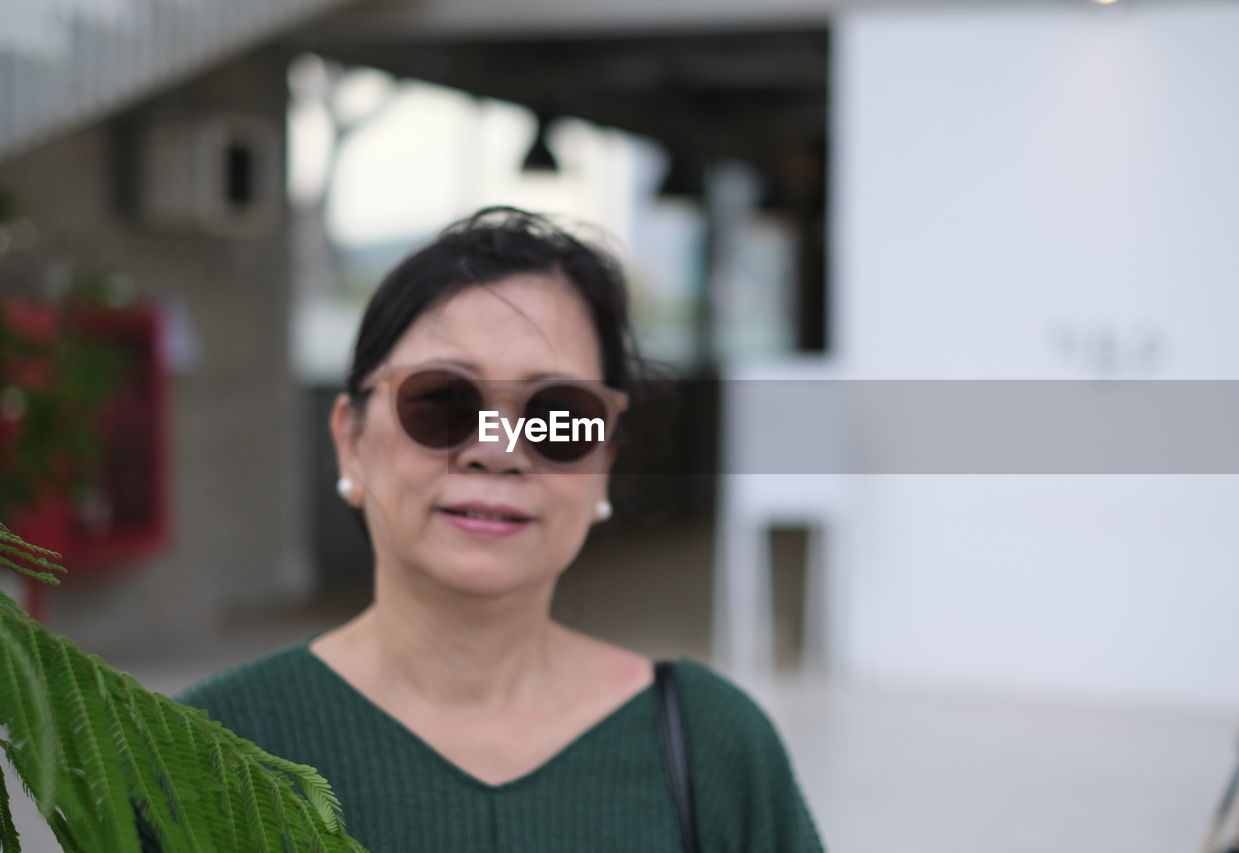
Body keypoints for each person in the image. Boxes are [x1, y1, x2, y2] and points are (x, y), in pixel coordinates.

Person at [176, 206, 824, 852]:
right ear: (351, 440)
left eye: (558, 414)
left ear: (604, 464)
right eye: (445, 401)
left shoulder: (714, 748)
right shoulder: (202, 749)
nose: (500, 449)